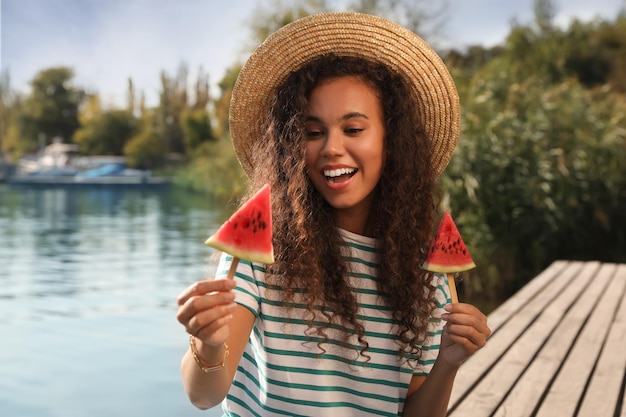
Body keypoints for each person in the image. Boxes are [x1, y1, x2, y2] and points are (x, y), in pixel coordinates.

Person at [176, 12, 491, 417]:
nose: (331, 149)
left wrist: (448, 363)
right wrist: (207, 342)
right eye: (313, 132)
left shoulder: (426, 275)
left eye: (354, 129)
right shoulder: (260, 253)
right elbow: (204, 395)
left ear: (390, 142)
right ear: (292, 145)